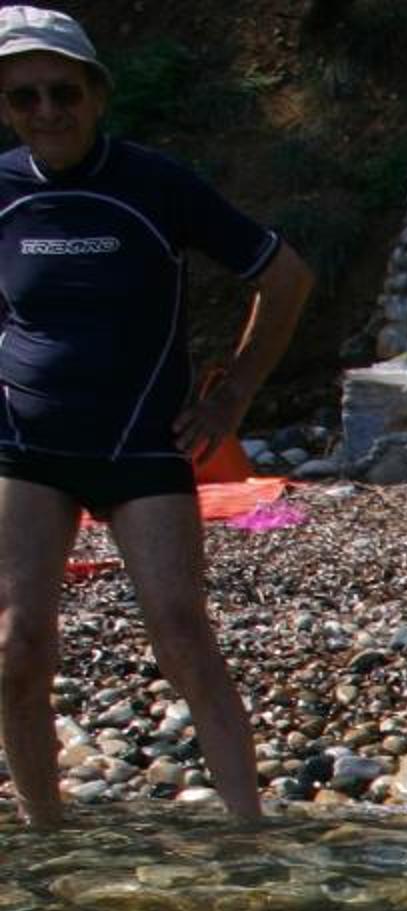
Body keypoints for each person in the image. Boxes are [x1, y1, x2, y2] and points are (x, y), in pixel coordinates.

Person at [0, 6, 312, 830]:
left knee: (180, 633)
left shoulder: (156, 185)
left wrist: (232, 396)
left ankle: (250, 838)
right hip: (26, 451)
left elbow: (285, 278)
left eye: (63, 92)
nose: (46, 112)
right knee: (15, 644)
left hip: (143, 445)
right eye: (24, 97)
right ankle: (45, 838)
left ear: (97, 94)